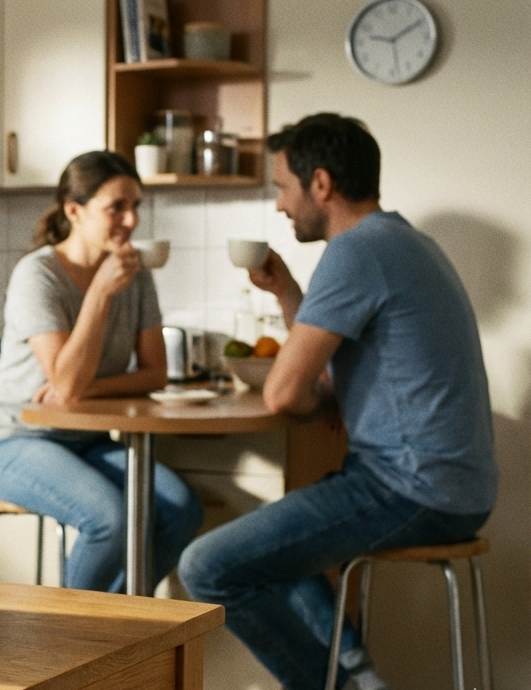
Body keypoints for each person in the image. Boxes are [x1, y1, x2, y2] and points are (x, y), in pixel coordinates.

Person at [178, 113, 497, 690]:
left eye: (282, 187)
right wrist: (287, 294)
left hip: (411, 486)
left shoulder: (356, 252)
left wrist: (306, 398)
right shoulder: (404, 241)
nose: (278, 206)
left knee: (208, 566)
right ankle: (354, 670)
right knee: (284, 532)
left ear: (320, 184)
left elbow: (283, 394)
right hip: (453, 484)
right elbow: (323, 375)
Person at [0, 150, 203, 593]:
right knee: (109, 519)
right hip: (11, 439)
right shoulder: (37, 274)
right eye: (117, 207)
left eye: (136, 206)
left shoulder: (136, 274)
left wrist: (87, 389)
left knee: (181, 509)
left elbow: (155, 373)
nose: (132, 220)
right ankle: (72, 638)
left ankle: (115, 621)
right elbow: (65, 382)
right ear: (74, 211)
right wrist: (99, 293)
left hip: (84, 439)